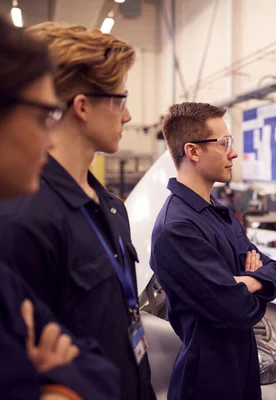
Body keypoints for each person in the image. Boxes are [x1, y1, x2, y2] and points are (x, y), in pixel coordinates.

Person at [0, 22, 155, 400]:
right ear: (83, 107)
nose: (129, 115)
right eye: (120, 99)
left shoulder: (110, 207)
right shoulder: (24, 220)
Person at [150, 102, 276, 399]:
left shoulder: (215, 211)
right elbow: (239, 310)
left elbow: (272, 270)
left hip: (242, 365)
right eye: (224, 144)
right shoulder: (177, 228)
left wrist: (250, 281)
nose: (233, 152)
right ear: (193, 151)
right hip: (207, 381)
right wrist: (253, 282)